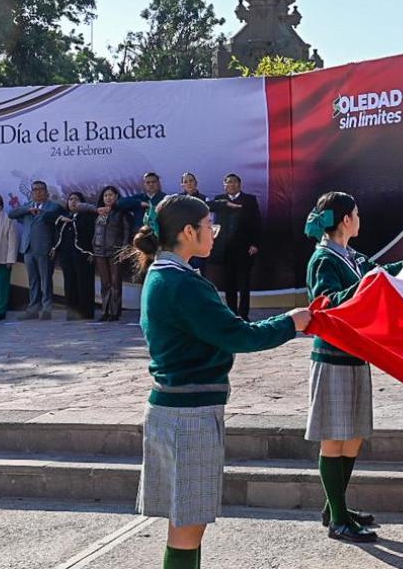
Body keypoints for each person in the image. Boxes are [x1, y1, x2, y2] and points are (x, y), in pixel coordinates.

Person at [131, 193, 310, 569]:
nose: (214, 233)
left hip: (176, 407)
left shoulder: (164, 275)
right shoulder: (182, 284)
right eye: (210, 226)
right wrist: (290, 323)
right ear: (188, 231)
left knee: (185, 523)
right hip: (188, 415)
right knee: (188, 525)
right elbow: (238, 335)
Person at [304, 191, 403, 543]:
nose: (360, 219)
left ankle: (337, 507)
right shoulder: (323, 260)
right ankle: (338, 519)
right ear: (345, 219)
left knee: (354, 436)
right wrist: (368, 286)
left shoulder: (351, 257)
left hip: (356, 354)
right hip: (333, 357)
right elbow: (326, 303)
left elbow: (379, 274)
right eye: (356, 213)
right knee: (335, 438)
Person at [8, 180, 64, 320]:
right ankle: (33, 309)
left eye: (40, 189)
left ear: (46, 192)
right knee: (33, 280)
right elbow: (11, 214)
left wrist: (54, 247)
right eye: (35, 189)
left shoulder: (53, 207)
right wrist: (28, 210)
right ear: (31, 192)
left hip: (44, 248)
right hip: (28, 248)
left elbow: (56, 226)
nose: (37, 192)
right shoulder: (27, 206)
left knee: (45, 280)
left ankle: (46, 309)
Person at [208, 174, 261, 320]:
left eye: (234, 182)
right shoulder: (220, 200)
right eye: (228, 183)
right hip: (226, 249)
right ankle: (232, 314)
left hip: (244, 248)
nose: (231, 185)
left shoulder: (249, 200)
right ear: (224, 185)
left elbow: (256, 222)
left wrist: (255, 243)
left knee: (244, 284)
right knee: (229, 284)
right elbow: (208, 208)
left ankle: (244, 314)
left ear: (239, 184)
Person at [54, 192, 98, 321]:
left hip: (83, 255)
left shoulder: (87, 217)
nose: (73, 202)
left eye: (77, 200)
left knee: (84, 283)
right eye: (71, 199)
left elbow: (88, 233)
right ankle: (72, 312)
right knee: (69, 283)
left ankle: (85, 312)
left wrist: (76, 219)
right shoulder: (63, 217)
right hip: (67, 255)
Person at [93, 186, 134, 322]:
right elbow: (96, 232)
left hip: (115, 251)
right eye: (105, 195)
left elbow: (127, 231)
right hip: (100, 251)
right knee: (105, 283)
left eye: (111, 195)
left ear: (116, 196)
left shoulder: (121, 212)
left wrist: (124, 249)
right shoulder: (99, 212)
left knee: (115, 282)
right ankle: (104, 311)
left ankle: (114, 312)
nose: (108, 198)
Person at [179, 172, 210, 271]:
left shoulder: (205, 199)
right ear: (182, 185)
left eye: (191, 181)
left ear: (196, 183)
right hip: (182, 241)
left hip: (198, 241)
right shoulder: (177, 200)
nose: (189, 184)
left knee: (198, 271)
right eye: (186, 182)